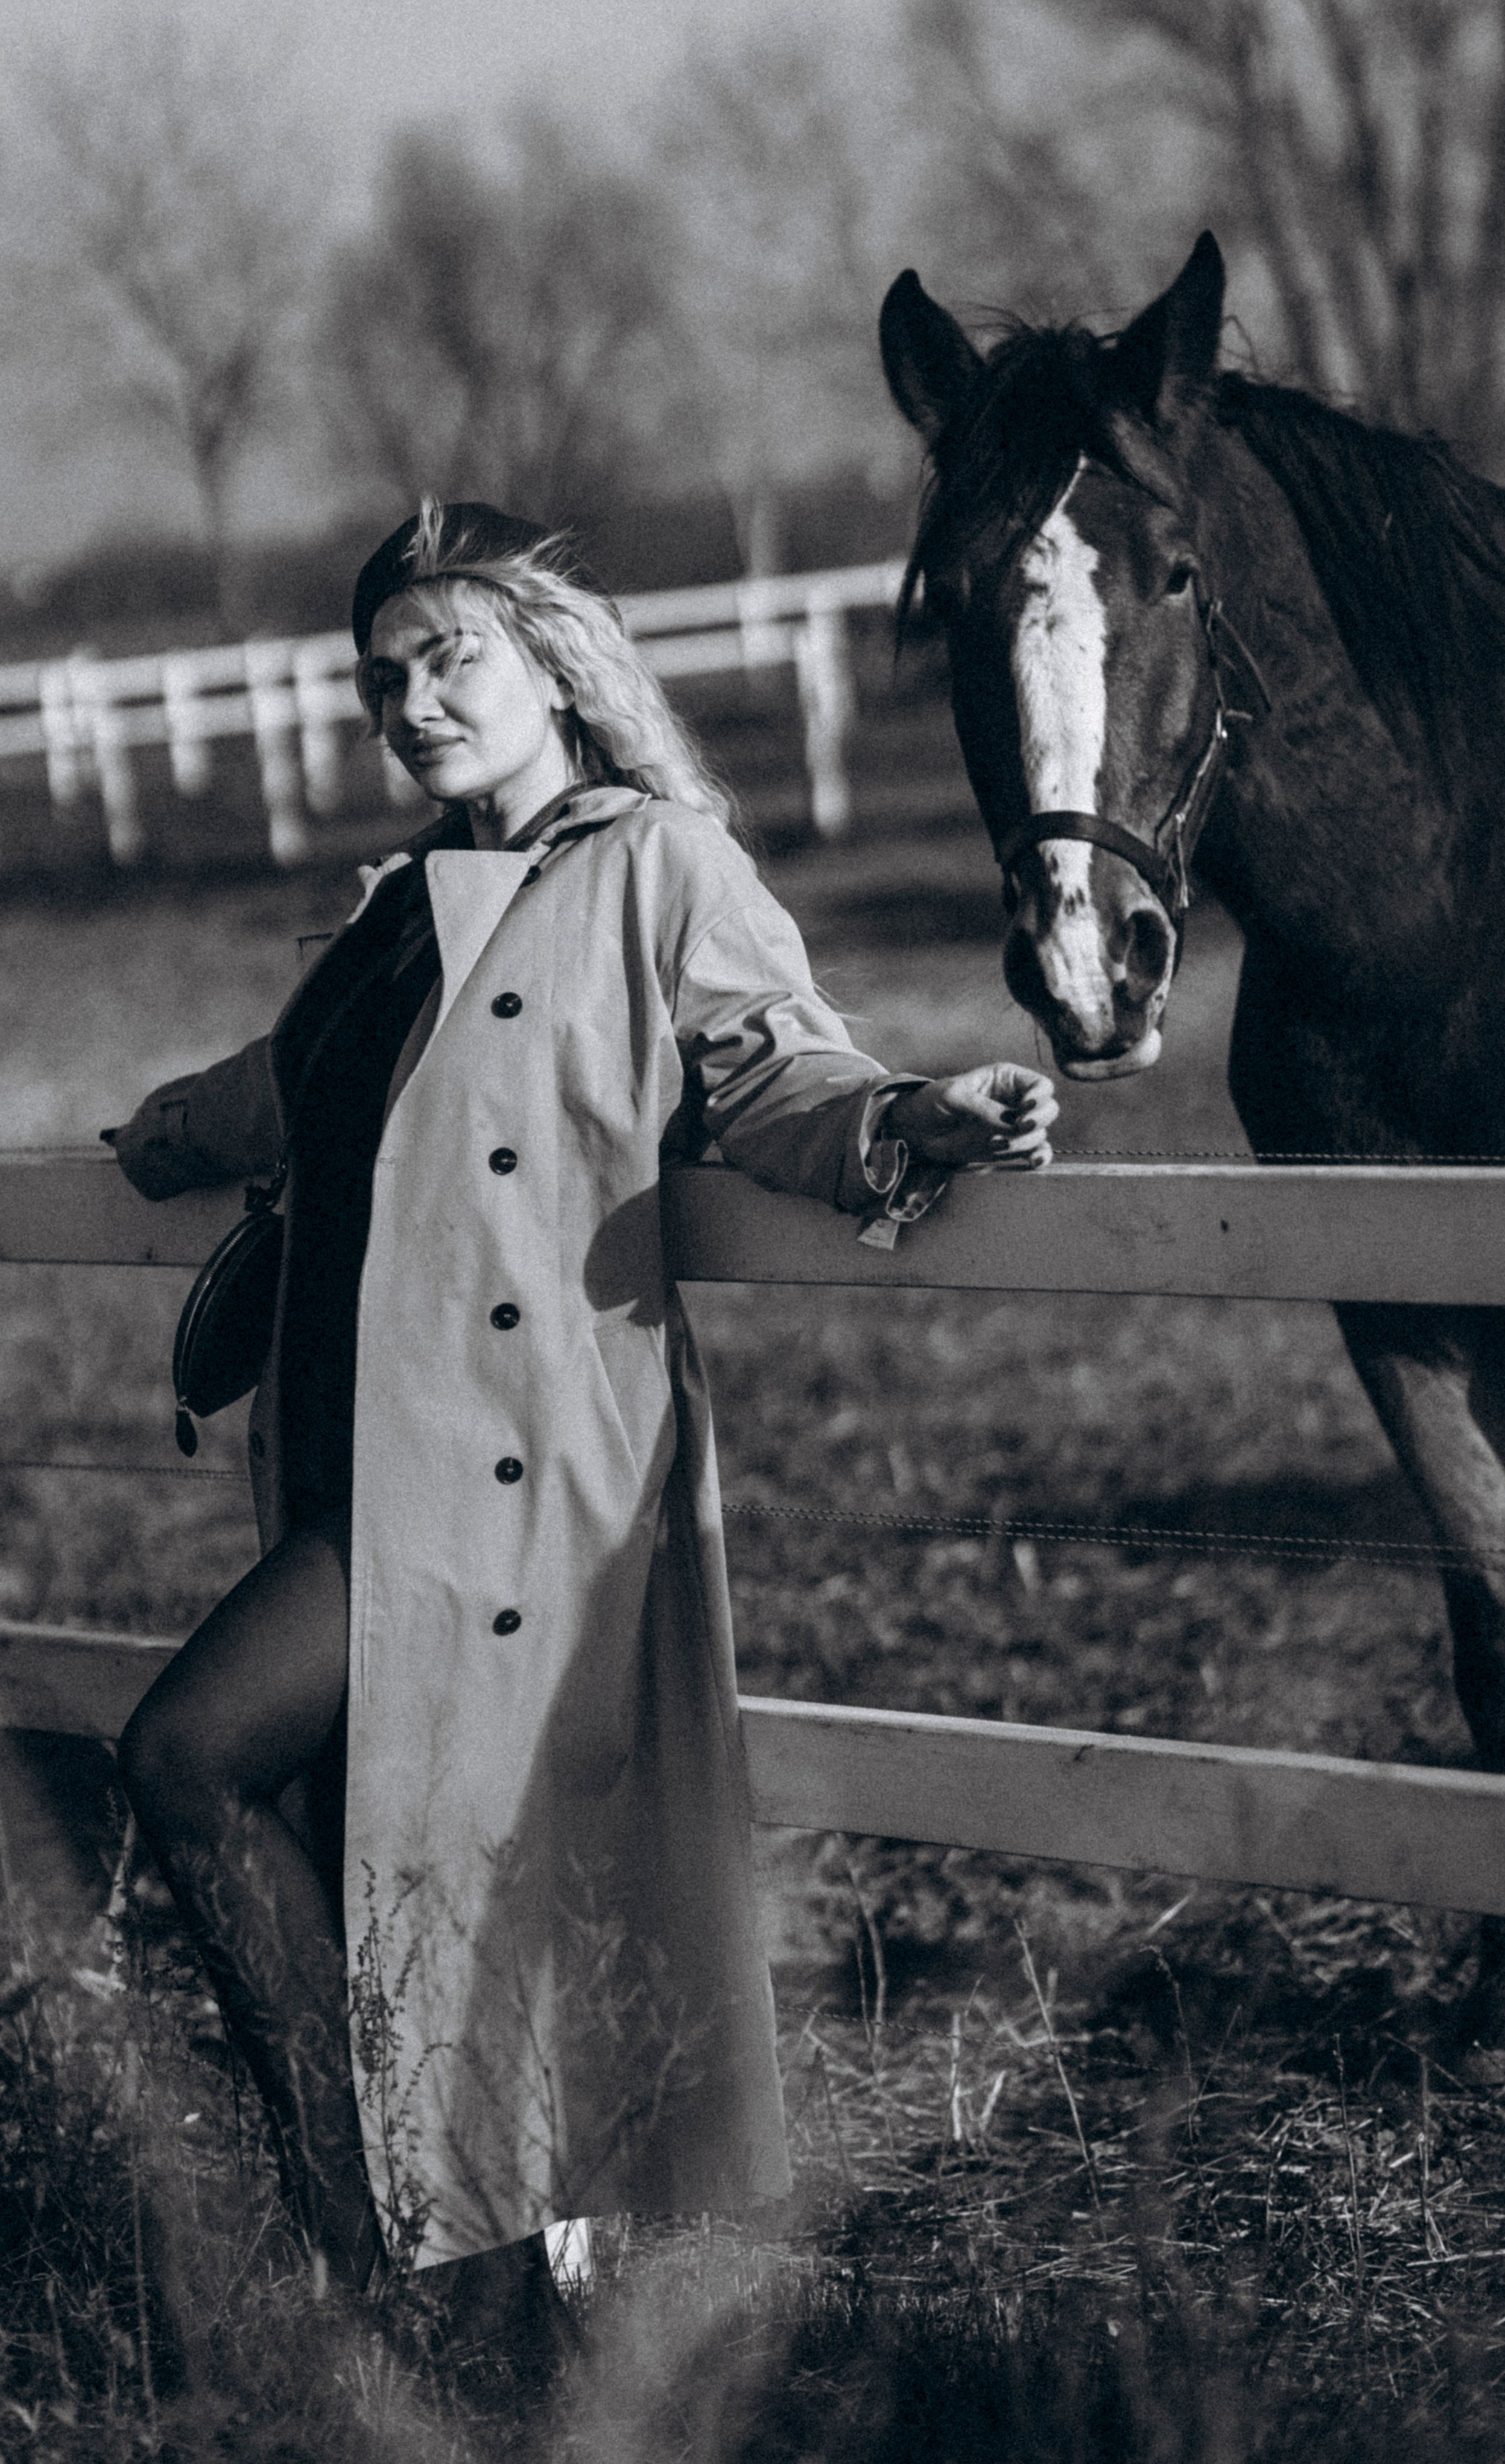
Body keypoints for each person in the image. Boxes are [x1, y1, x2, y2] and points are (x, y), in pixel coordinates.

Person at [107, 501, 1054, 2361]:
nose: (410, 699)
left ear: (554, 662)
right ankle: (429, 2270)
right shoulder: (399, 908)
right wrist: (160, 1136)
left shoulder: (658, 864)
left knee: (188, 1759)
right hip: (351, 1448)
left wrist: (912, 1120)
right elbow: (298, 1089)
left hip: (505, 1470)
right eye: (383, 675)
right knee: (404, 1882)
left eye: (447, 655)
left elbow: (769, 1064)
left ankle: (385, 2243)